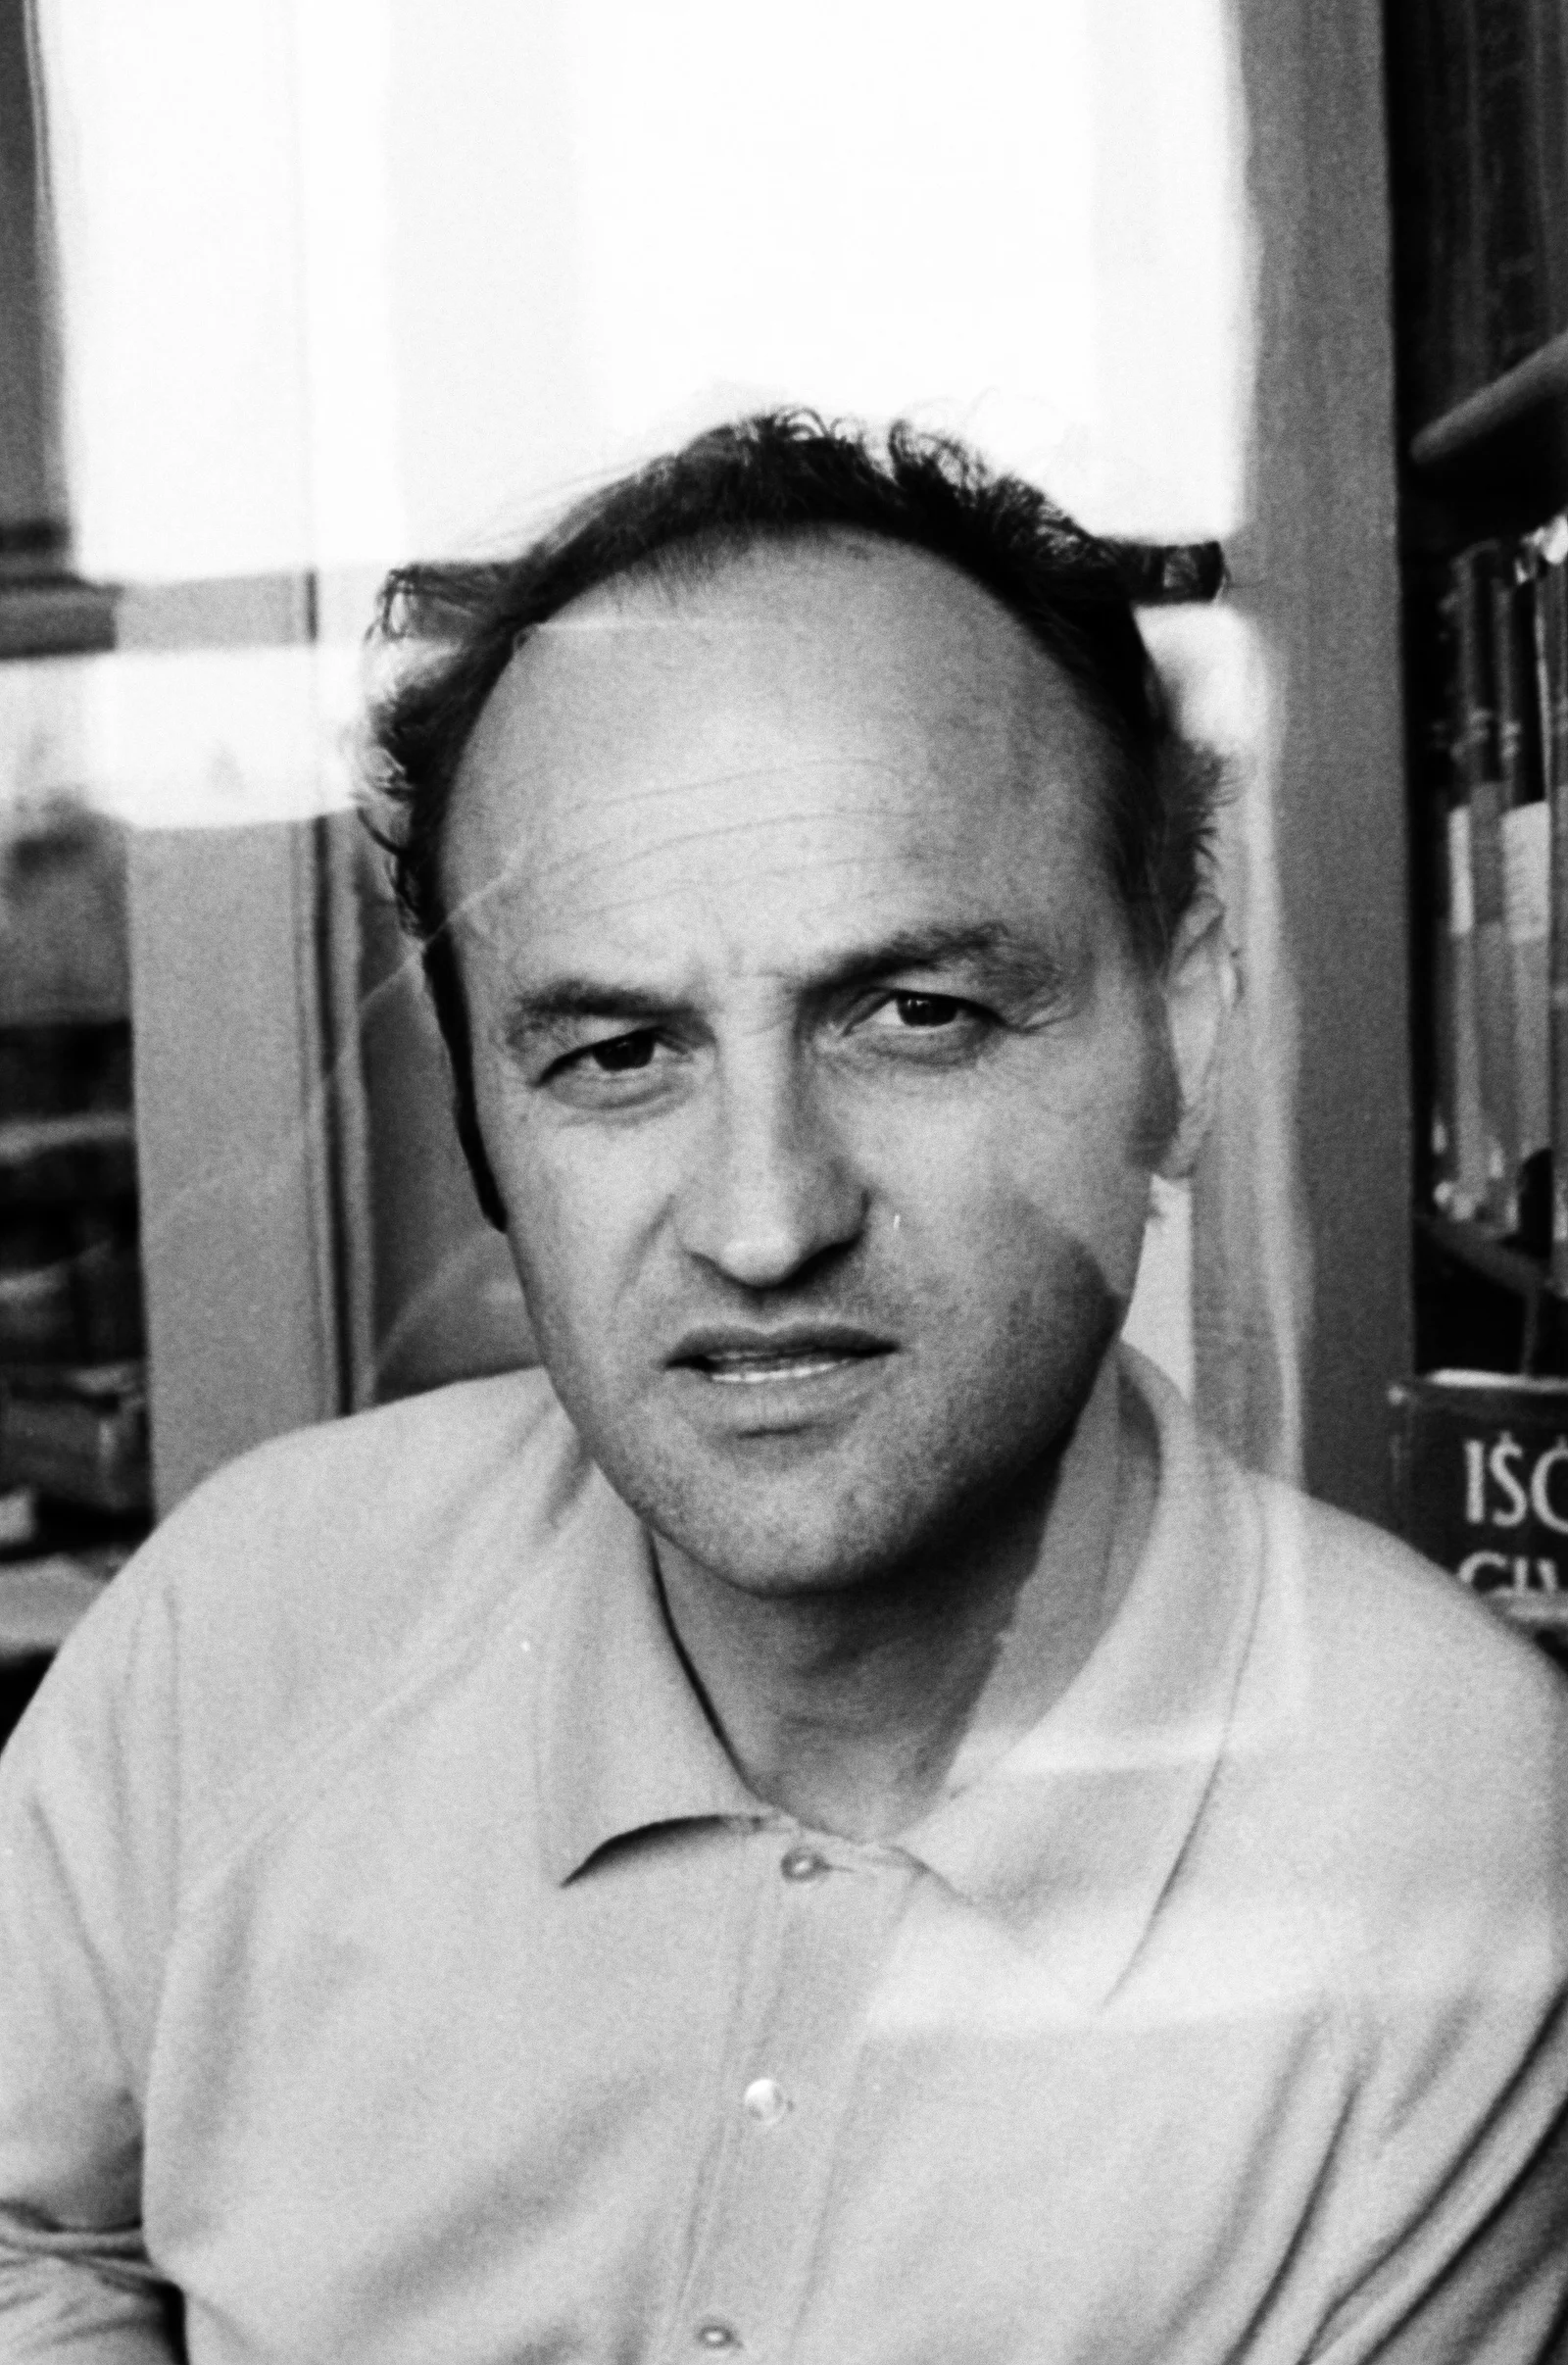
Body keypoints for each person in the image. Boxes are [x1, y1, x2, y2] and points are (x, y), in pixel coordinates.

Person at [1, 413, 1565, 2363]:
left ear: (1180, 1026)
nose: (761, 1223)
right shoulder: (244, 1628)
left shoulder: (1468, 1838)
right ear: (485, 1112)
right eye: (614, 1054)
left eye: (914, 1014)